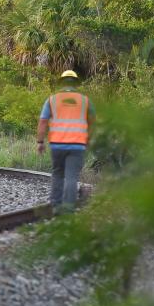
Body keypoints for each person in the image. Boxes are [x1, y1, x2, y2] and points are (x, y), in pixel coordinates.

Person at [37, 70, 95, 211]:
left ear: (61, 83)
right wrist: (88, 139)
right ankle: (68, 209)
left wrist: (40, 142)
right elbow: (93, 123)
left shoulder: (52, 99)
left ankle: (56, 206)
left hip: (57, 145)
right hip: (78, 145)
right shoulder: (85, 100)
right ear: (76, 83)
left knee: (57, 173)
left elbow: (43, 121)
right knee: (71, 176)